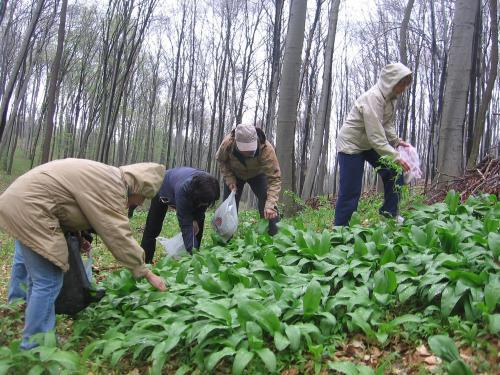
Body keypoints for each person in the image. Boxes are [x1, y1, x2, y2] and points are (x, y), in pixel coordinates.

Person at [0, 158, 167, 349]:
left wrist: (79, 237)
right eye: (144, 197)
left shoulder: (108, 177)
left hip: (24, 202)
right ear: (138, 188)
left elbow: (69, 201)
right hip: (31, 209)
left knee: (38, 280)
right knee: (48, 281)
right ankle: (35, 347)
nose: (140, 202)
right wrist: (146, 272)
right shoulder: (112, 188)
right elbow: (118, 235)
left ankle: (36, 333)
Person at [334, 62, 412, 226]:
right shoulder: (373, 97)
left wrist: (397, 141)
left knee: (395, 171)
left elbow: (386, 123)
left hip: (369, 144)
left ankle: (389, 214)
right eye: (402, 83)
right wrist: (395, 156)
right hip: (351, 145)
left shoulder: (390, 99)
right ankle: (341, 230)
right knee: (351, 190)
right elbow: (376, 136)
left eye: (406, 84)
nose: (404, 88)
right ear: (391, 80)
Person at [139, 167, 220, 263]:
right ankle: (145, 262)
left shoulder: (209, 186)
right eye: (203, 202)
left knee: (198, 225)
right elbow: (186, 224)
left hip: (189, 191)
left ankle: (193, 260)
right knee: (153, 227)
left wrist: (196, 219)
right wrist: (194, 256)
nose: (205, 205)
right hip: (163, 187)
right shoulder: (183, 189)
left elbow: (201, 210)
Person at [215, 123, 281, 235]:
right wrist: (230, 179)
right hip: (234, 173)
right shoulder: (227, 143)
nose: (247, 154)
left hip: (257, 174)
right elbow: (221, 160)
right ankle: (225, 238)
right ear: (236, 142)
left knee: (267, 200)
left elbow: (274, 178)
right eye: (244, 150)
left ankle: (273, 236)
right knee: (229, 203)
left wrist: (270, 205)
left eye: (250, 150)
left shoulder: (266, 149)